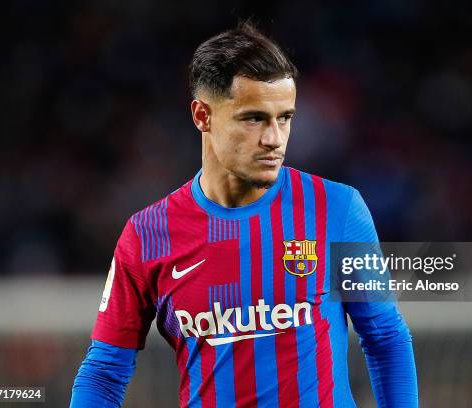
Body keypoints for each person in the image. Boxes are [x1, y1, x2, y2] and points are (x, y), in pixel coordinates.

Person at [70, 22, 418, 408]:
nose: (274, 139)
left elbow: (385, 338)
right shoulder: (148, 234)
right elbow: (104, 372)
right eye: (254, 119)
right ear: (203, 116)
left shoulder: (336, 208)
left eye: (284, 118)